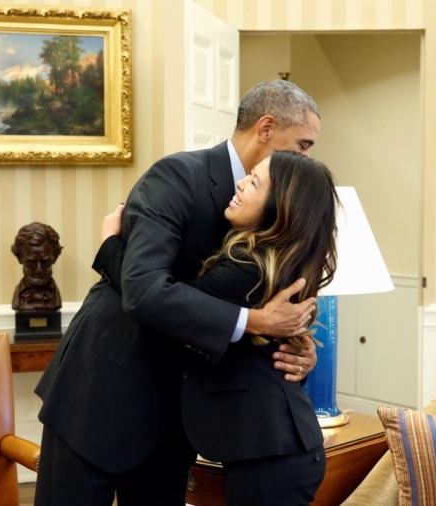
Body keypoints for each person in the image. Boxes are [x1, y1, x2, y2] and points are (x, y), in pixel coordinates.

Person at [34, 80, 323, 506]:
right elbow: (145, 289)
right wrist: (254, 322)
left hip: (180, 411)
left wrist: (296, 346)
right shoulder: (177, 176)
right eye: (302, 143)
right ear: (266, 128)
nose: (306, 157)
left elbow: (250, 295)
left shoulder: (281, 208)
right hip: (102, 390)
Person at [99, 151, 338, 505]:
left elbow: (163, 306)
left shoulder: (248, 268)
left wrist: (109, 247)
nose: (240, 183)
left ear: (279, 207)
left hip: (271, 454)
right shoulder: (272, 262)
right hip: (272, 451)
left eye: (254, 182)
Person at [11, 222, 63, 311]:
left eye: (45, 262)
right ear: (19, 258)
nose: (39, 269)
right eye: (31, 263)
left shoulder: (55, 296)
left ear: (55, 257)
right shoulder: (18, 298)